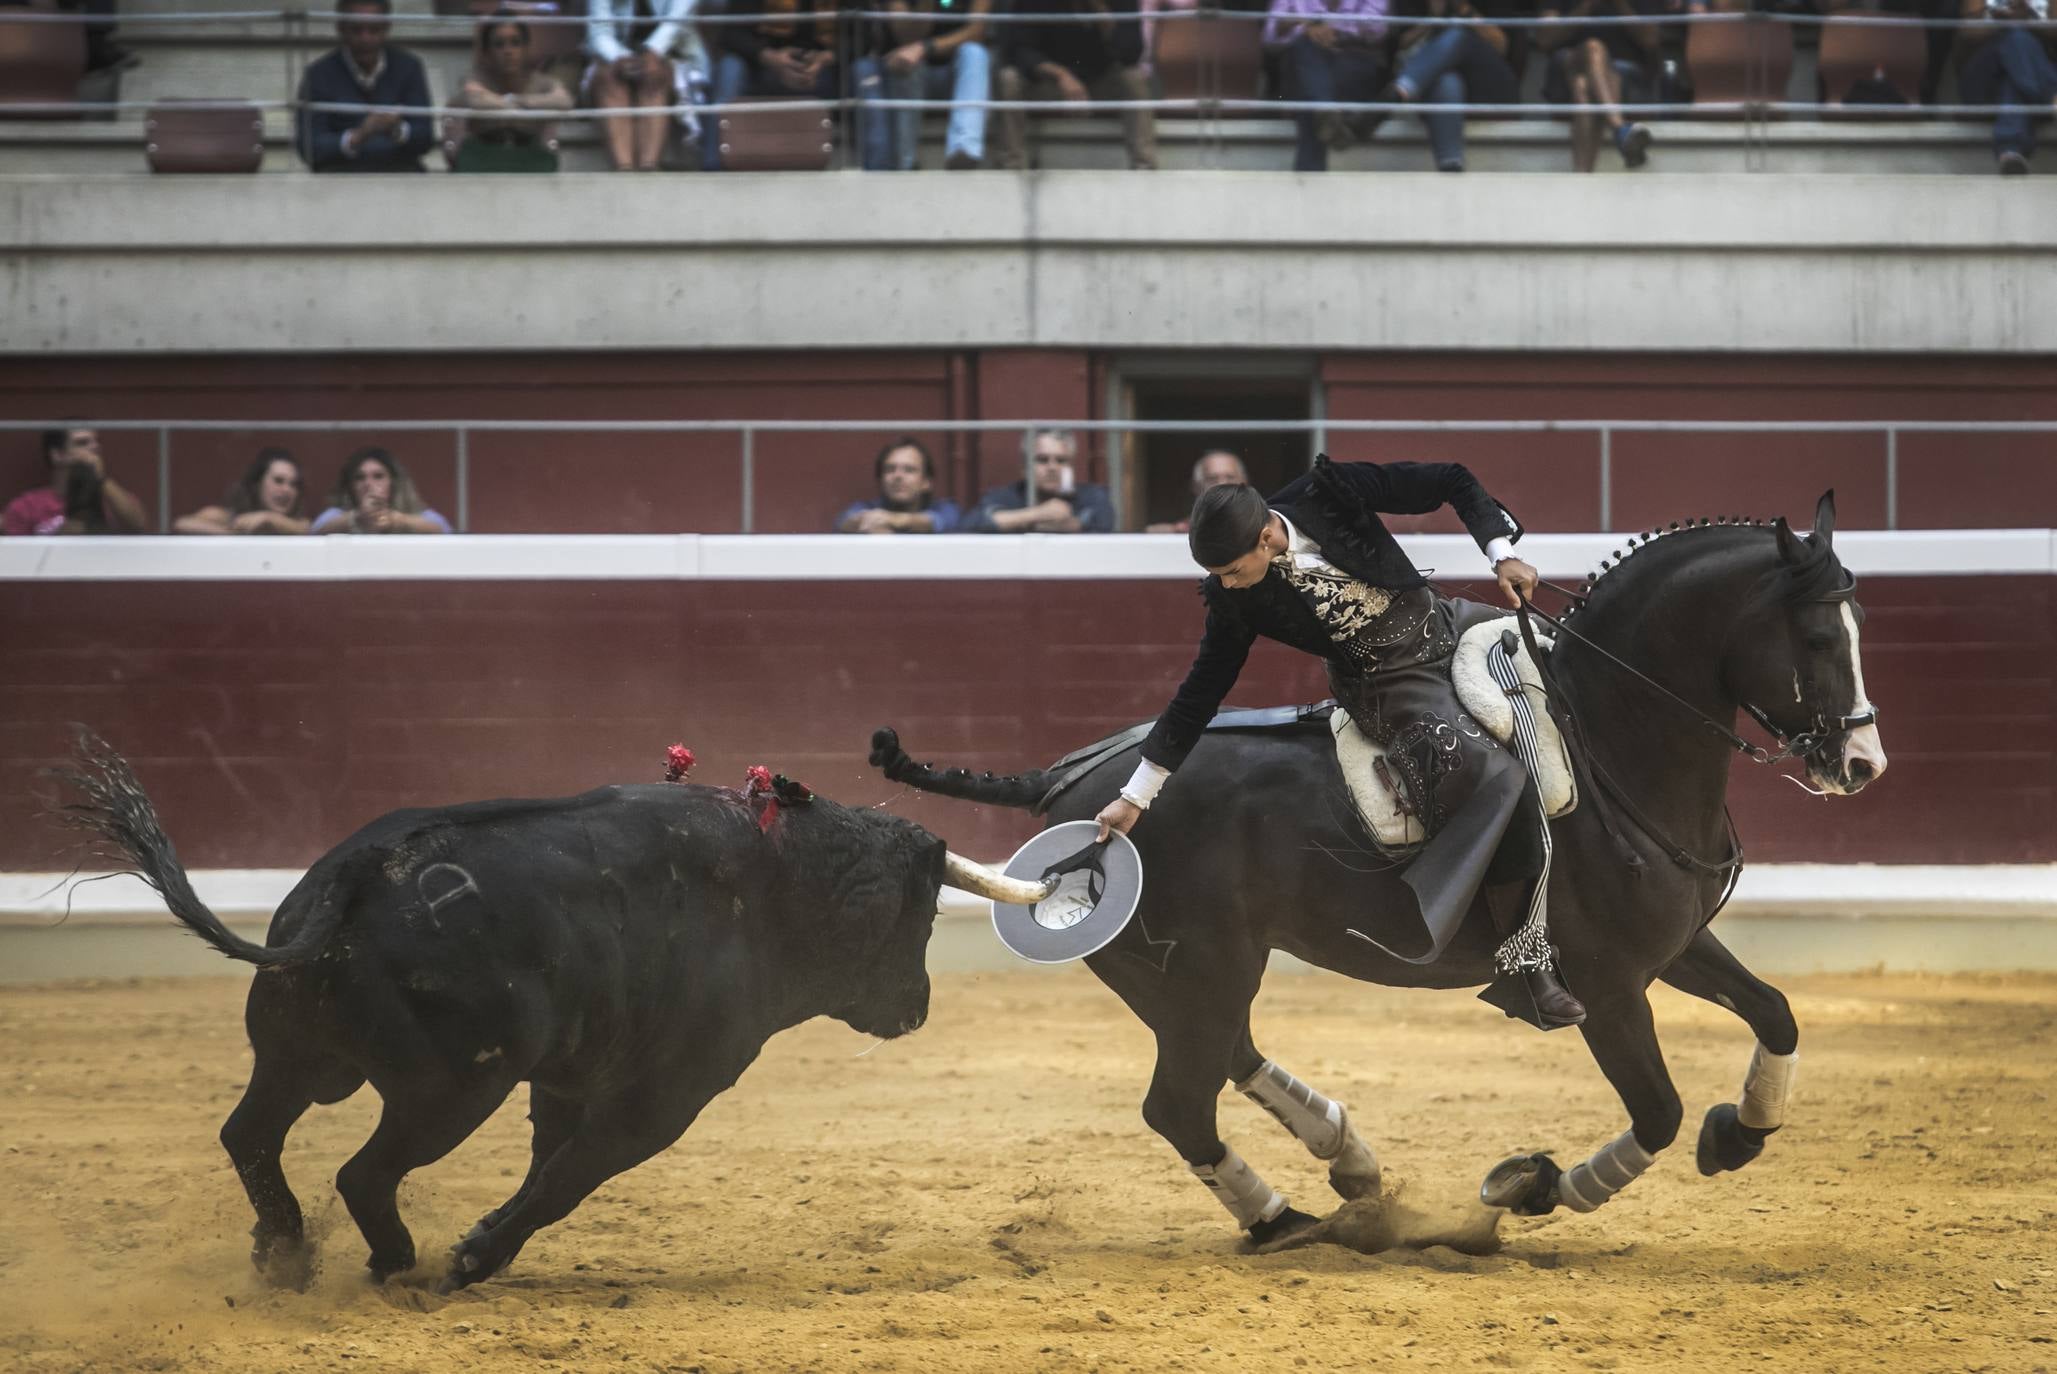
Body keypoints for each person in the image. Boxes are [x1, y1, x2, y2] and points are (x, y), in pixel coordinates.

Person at [1093, 457, 1587, 1028]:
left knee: (1571, 664)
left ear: (1266, 536)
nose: (1224, 584)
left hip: (1448, 626)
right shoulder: (1235, 597)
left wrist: (1501, 552)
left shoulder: (1330, 493)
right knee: (1499, 778)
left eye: (1231, 569)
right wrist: (1137, 794)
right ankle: (1526, 963)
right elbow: (1201, 691)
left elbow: (1451, 479)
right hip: (1389, 689)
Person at [993, 0, 1159, 171]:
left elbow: (1131, 54)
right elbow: (1021, 51)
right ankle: (1010, 167)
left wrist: (1100, 11)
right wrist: (1061, 75)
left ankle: (1144, 167)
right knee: (1009, 79)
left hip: (1100, 83)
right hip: (1050, 84)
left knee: (1133, 78)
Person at [1369, 0, 1521, 172]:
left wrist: (1462, 8)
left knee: (1459, 36)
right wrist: (1433, 18)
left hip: (1490, 88)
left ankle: (1396, 94)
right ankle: (1450, 166)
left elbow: (1501, 45)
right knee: (1447, 80)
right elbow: (1401, 46)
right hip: (1435, 89)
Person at [295, 0, 435, 173]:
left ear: (387, 28)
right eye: (356, 30)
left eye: (374, 30)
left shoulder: (409, 67)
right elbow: (308, 147)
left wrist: (396, 130)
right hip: (338, 179)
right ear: (340, 28)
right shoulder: (317, 74)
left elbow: (426, 137)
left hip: (400, 176)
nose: (365, 38)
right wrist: (358, 136)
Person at [855, 0, 994, 170]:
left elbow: (976, 32)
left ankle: (964, 151)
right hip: (912, 75)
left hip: (956, 76)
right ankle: (905, 163)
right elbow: (905, 37)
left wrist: (926, 47)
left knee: (975, 53)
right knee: (906, 61)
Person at [704, 0, 841, 171]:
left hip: (820, 70)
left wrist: (824, 59)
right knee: (730, 68)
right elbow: (731, 34)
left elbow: (862, 35)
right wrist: (768, 56)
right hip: (760, 65)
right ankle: (713, 166)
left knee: (862, 71)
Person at [1537, 0, 1663, 172]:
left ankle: (1582, 180)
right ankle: (1619, 127)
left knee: (1582, 85)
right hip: (1569, 65)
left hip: (1622, 74)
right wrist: (1586, 6)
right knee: (1593, 49)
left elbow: (1650, 39)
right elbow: (1545, 39)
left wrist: (1620, 5)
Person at [1264, 0, 1390, 171]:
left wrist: (1329, 28)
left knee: (1311, 94)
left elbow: (1377, 28)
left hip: (1350, 64)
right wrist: (1306, 26)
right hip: (1305, 64)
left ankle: (1324, 110)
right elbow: (1270, 36)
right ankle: (1326, 111)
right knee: (1304, 49)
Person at [443, 10, 574, 172]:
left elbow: (565, 101)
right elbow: (474, 99)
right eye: (499, 44)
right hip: (482, 156)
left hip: (530, 155)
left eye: (515, 43)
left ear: (526, 48)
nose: (508, 51)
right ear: (487, 52)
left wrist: (514, 101)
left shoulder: (541, 82)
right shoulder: (477, 78)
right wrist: (526, 105)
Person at [589, 0, 708, 173]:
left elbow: (679, 19)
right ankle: (625, 170)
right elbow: (599, 32)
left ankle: (649, 169)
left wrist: (653, 52)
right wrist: (619, 58)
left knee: (654, 75)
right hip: (616, 57)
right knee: (609, 78)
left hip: (672, 53)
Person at [1955, 0, 2057, 174]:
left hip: (2023, 80)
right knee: (2014, 36)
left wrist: (2028, 20)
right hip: (1982, 85)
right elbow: (1967, 32)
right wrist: (1999, 23)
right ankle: (2052, 97)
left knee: (2013, 81)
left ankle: (2010, 152)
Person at [962, 430, 1118, 532]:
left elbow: (1103, 522)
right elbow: (971, 524)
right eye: (1042, 460)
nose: (1053, 467)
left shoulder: (1091, 496)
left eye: (1061, 461)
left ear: (1071, 467)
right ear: (1024, 467)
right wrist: (1037, 514)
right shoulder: (1007, 496)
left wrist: (1014, 522)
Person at [3, 427, 147, 536]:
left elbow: (138, 525)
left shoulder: (113, 497)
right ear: (58, 455)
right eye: (82, 443)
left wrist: (100, 478)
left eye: (96, 442)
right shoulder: (29, 505)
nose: (94, 447)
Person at [309, 447, 451, 535]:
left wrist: (396, 520)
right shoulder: (338, 514)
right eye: (360, 478)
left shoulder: (413, 514)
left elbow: (443, 528)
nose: (368, 484)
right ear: (350, 486)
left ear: (393, 483)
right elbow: (317, 529)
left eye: (378, 476)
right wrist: (357, 518)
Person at [836, 437, 963, 533]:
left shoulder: (945, 509)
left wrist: (896, 520)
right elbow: (844, 521)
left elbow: (940, 521)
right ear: (881, 479)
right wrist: (865, 523)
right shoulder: (866, 507)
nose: (898, 476)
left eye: (909, 470)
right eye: (890, 469)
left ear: (926, 482)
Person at [174, 448, 310, 536]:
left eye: (294, 484)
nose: (287, 490)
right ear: (257, 484)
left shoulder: (300, 524)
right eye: (278, 481)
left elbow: (306, 530)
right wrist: (235, 535)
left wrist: (268, 518)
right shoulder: (228, 518)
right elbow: (182, 524)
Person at [1146, 449, 1249, 532]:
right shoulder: (1181, 530)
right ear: (1196, 487)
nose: (1221, 484)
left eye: (1230, 477)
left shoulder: (1260, 528)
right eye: (1212, 479)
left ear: (1244, 483)